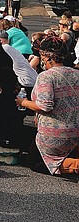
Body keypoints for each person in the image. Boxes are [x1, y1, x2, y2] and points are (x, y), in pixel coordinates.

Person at [17, 35, 79, 175]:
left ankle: (75, 166)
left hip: (55, 133)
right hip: (76, 130)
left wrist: (24, 102)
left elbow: (45, 105)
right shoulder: (76, 73)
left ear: (47, 57)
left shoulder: (46, 76)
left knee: (36, 163)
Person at [0, 30, 38, 97]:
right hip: (33, 80)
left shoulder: (4, 48)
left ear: (0, 40)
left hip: (25, 82)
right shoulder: (13, 50)